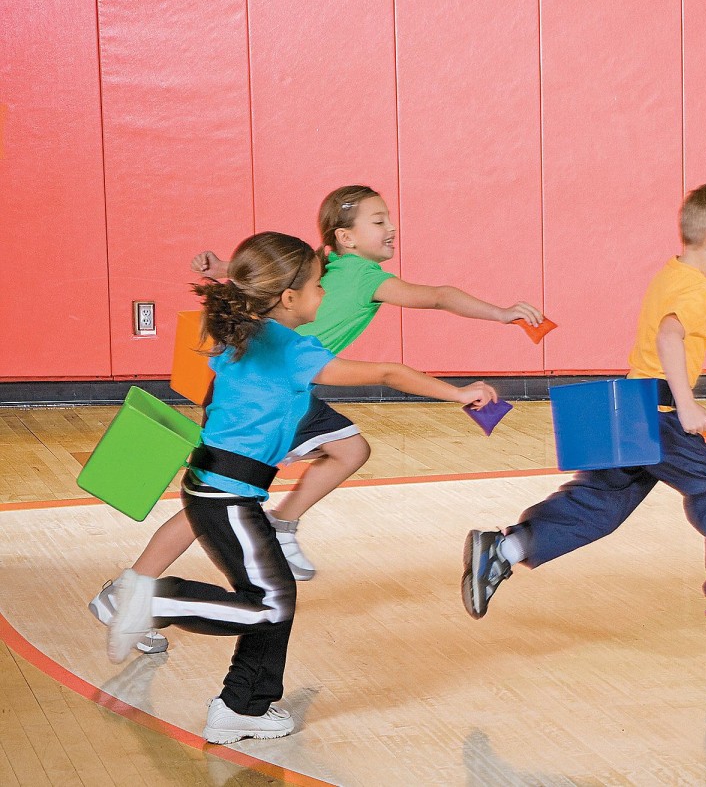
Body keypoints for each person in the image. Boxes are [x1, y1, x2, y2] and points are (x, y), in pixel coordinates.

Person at [90, 185, 543, 652]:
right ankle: (143, 590)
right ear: (344, 237)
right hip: (280, 389)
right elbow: (436, 301)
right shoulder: (363, 278)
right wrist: (492, 331)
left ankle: (166, 574)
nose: (392, 228)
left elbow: (268, 274)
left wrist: (228, 270)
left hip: (266, 384)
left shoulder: (321, 267)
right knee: (219, 505)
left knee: (241, 489)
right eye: (378, 220)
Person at [105, 231, 496, 744]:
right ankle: (153, 602)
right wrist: (458, 393)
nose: (325, 296)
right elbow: (386, 371)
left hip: (215, 488)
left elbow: (248, 409)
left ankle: (242, 707)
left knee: (274, 595)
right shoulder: (289, 349)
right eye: (317, 287)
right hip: (228, 497)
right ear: (288, 299)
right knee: (268, 603)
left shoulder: (244, 333)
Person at [461, 183, 706, 644]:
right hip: (660, 414)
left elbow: (677, 322)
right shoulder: (696, 288)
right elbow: (670, 338)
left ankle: (505, 547)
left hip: (631, 408)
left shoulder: (674, 274)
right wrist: (687, 403)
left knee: (603, 502)